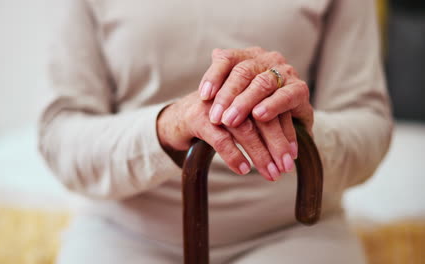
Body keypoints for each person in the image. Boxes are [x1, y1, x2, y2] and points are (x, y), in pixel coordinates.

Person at [38, 0, 392, 263]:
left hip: (295, 230)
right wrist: (165, 127)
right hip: (124, 235)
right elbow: (61, 134)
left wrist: (300, 128)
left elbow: (368, 123)